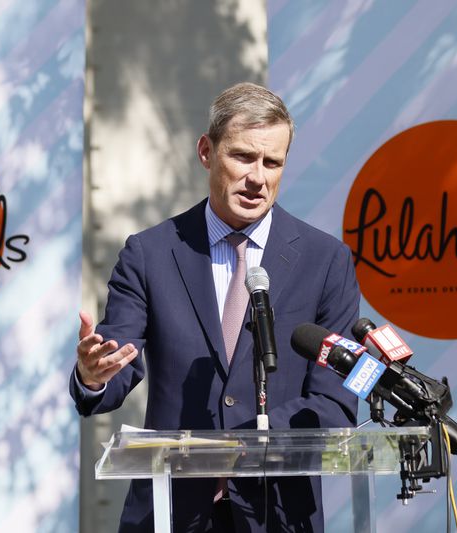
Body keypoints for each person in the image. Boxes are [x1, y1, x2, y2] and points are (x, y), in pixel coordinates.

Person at [70, 82, 360, 532]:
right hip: (171, 512)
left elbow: (335, 404)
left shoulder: (325, 262)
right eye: (243, 156)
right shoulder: (150, 253)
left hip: (278, 514)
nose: (258, 178)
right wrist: (93, 377)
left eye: (273, 162)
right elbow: (115, 367)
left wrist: (241, 443)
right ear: (207, 151)